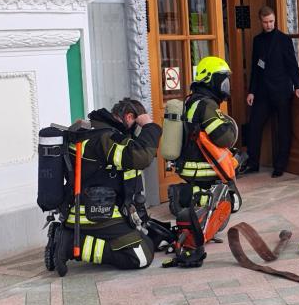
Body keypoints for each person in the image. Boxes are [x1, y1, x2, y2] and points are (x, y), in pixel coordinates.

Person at [44, 98, 162, 277]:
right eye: (136, 126)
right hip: (94, 214)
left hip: (84, 210)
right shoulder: (105, 137)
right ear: (129, 117)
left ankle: (69, 236)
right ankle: (68, 244)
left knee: (148, 240)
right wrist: (149, 126)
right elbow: (140, 156)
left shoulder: (92, 130)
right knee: (140, 256)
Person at [171, 56, 239, 267]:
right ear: (210, 80)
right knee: (229, 199)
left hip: (189, 166)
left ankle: (194, 224)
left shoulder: (192, 100)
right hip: (202, 168)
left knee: (200, 200)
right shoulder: (207, 105)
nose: (225, 86)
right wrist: (230, 125)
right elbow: (224, 137)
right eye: (222, 80)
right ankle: (198, 232)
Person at [243, 6, 299, 177]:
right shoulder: (257, 41)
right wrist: (251, 91)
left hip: (281, 91)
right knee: (254, 126)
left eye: (271, 21)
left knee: (283, 129)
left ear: (275, 19)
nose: (269, 25)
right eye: (265, 22)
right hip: (262, 92)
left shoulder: (284, 39)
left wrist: (297, 86)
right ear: (260, 22)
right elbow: (255, 68)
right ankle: (253, 162)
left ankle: (280, 165)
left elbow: (293, 65)